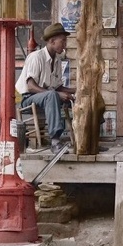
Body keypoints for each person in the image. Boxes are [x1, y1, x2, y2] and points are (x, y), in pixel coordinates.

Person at [15, 23, 77, 154]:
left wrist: (77, 91)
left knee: (82, 96)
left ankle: (88, 139)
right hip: (27, 99)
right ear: (52, 41)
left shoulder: (58, 59)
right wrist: (57, 94)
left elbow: (57, 86)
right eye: (63, 41)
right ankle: (55, 141)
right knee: (52, 95)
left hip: (47, 98)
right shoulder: (36, 57)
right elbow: (31, 87)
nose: (65, 44)